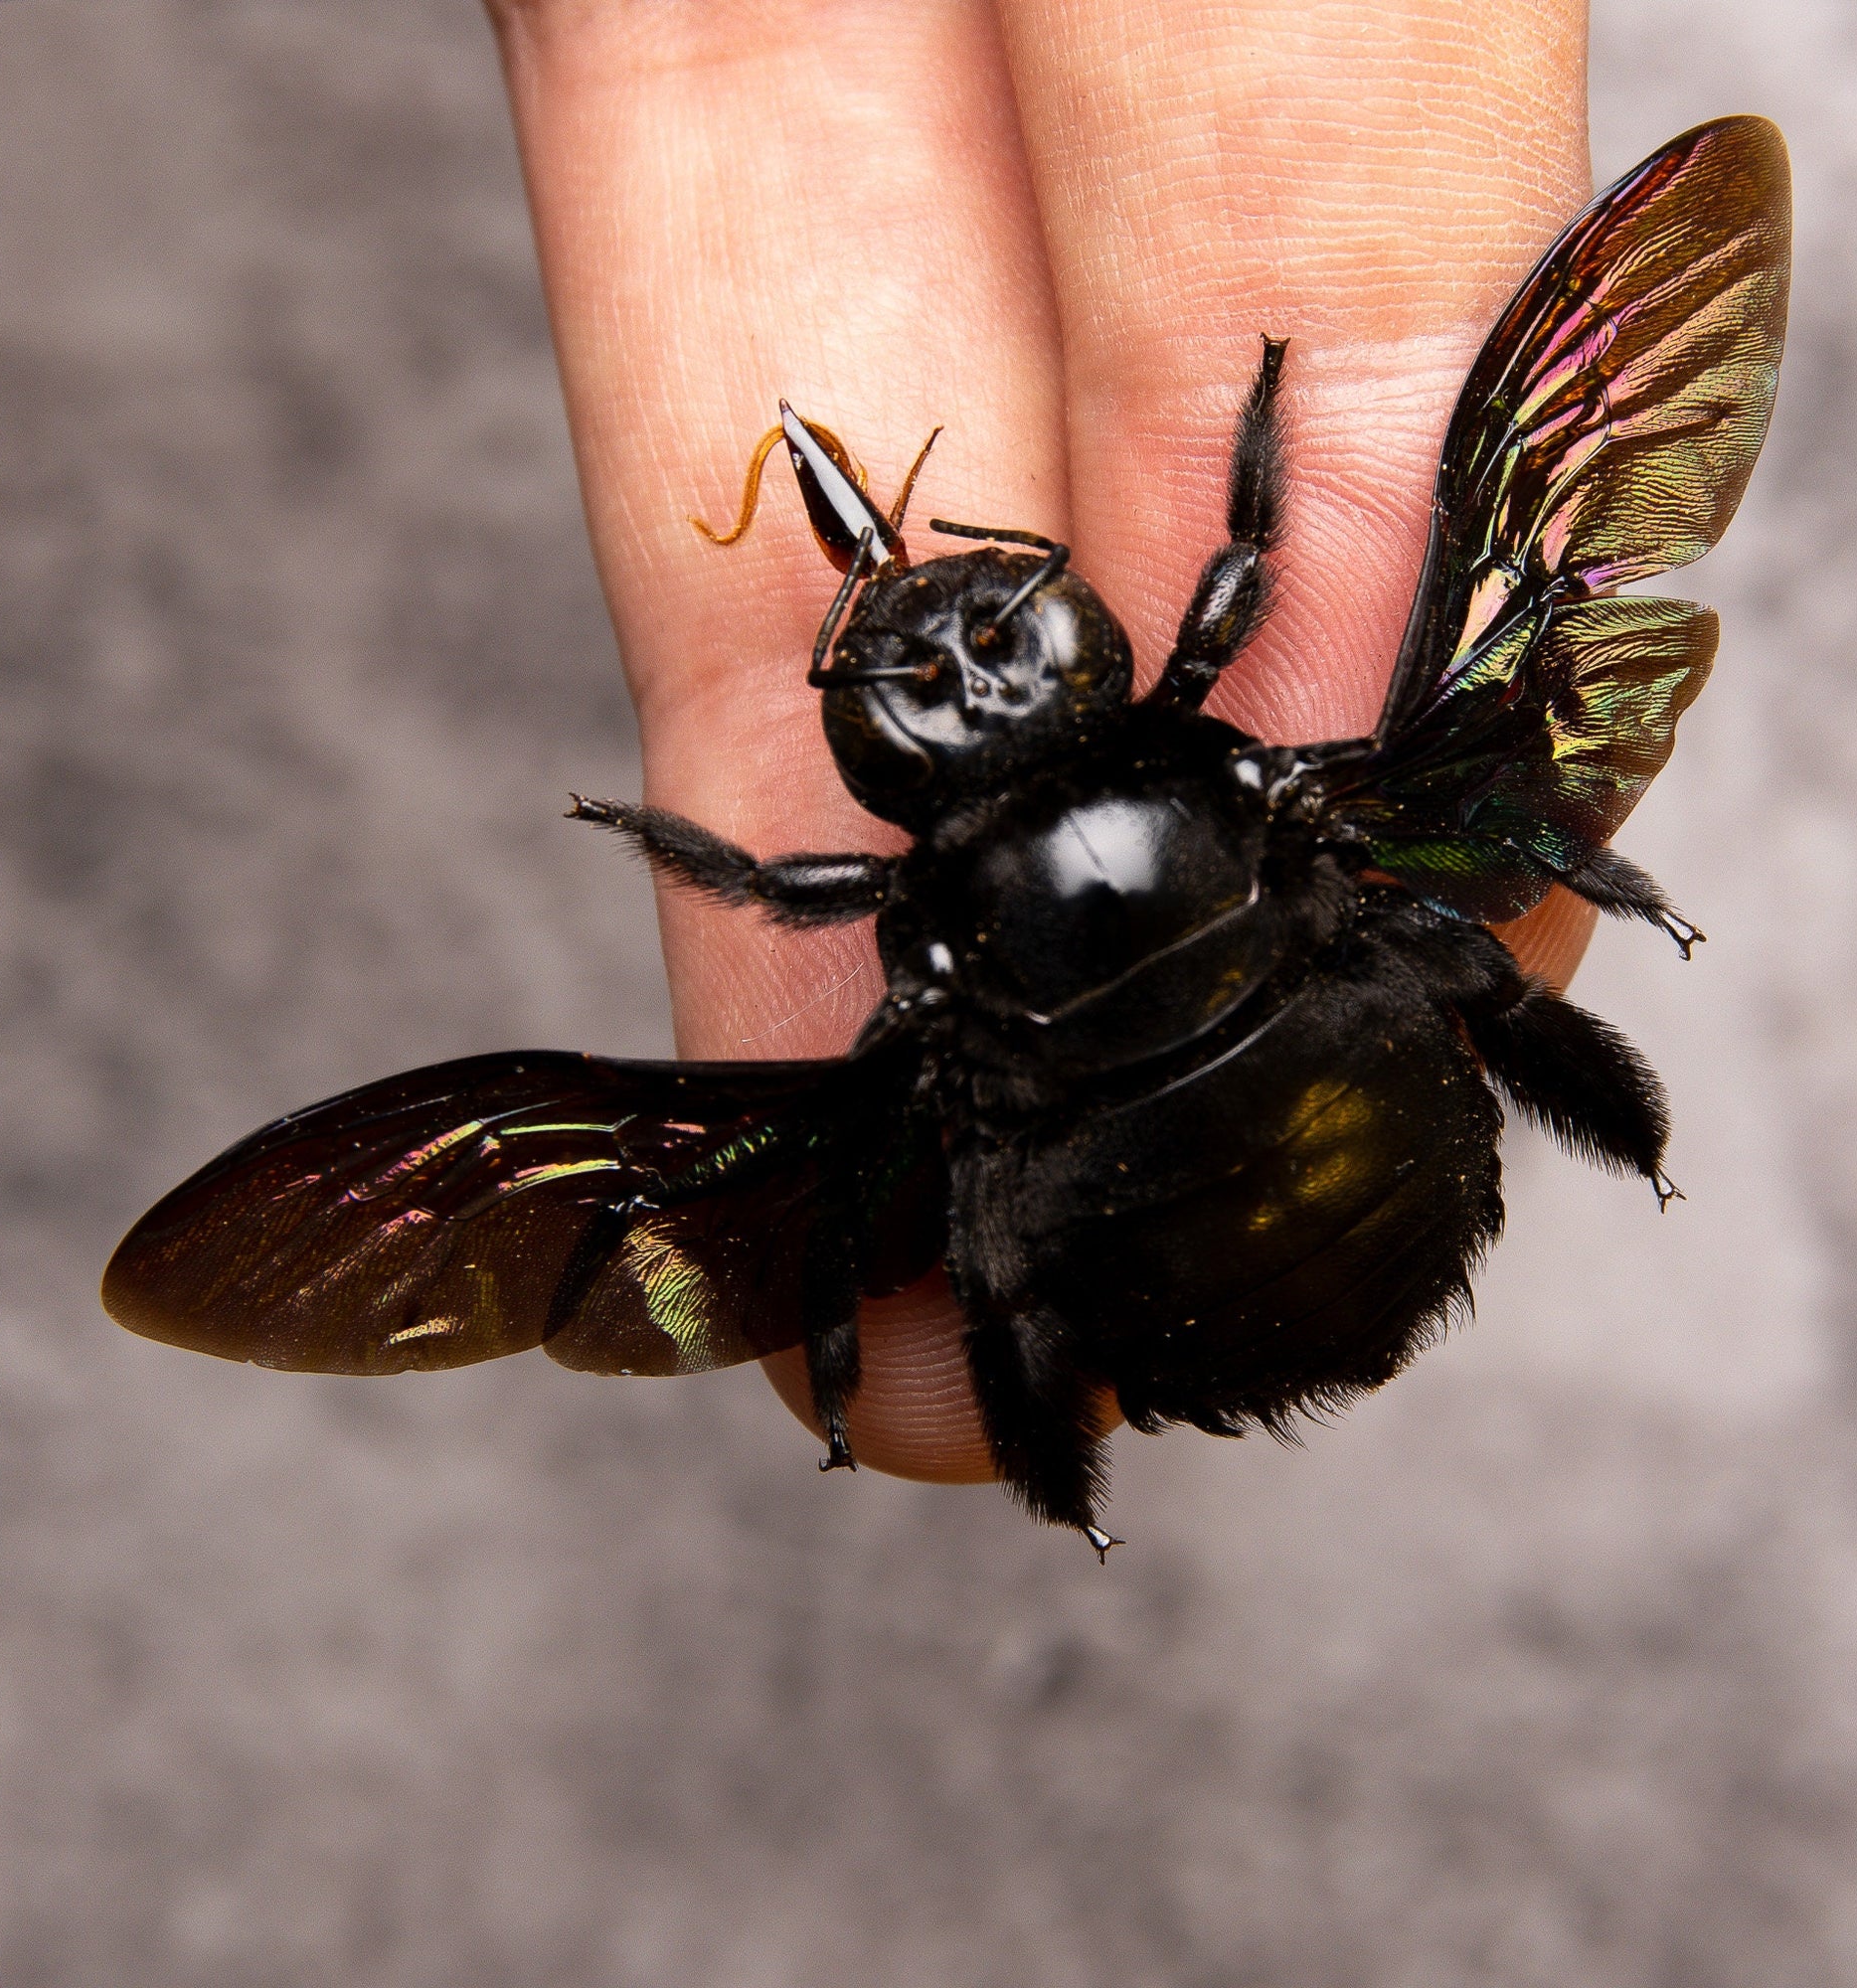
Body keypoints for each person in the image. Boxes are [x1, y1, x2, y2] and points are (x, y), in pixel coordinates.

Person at [479, 0, 1598, 1486]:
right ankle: (1627, 1148)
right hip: (1344, 1166)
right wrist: (1263, 410)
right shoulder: (1263, 772)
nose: (956, 658)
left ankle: (1060, 1489)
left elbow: (763, 894)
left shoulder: (920, 944)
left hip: (1226, 1231)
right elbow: (1248, 562)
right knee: (1486, 950)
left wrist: (669, 851)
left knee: (965, 1244)